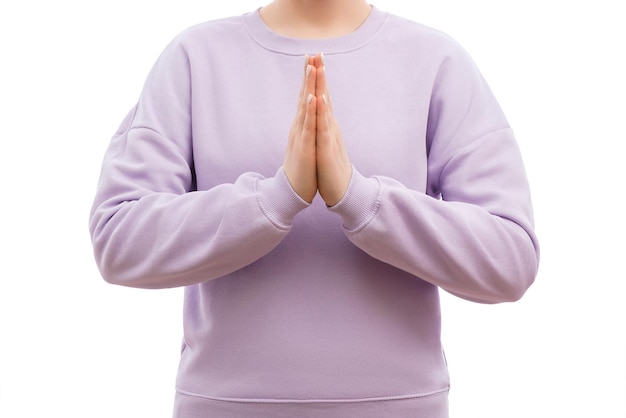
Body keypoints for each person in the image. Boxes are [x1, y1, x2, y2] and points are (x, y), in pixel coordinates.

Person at [89, 0, 540, 417]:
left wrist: (360, 199)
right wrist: (277, 198)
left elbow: (510, 257)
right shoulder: (193, 58)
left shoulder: (436, 61)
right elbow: (119, 238)